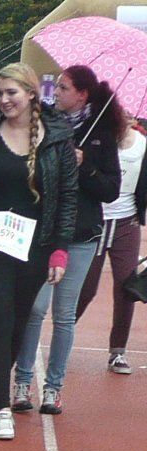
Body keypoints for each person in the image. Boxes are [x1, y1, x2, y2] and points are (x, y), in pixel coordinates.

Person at [0, 63, 77, 440]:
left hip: (35, 246)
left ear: (31, 94)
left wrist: (60, 250)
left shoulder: (57, 137)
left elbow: (67, 198)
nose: (4, 100)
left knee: (20, 322)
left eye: (11, 93)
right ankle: (2, 408)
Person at [12, 65, 122, 415]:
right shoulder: (47, 125)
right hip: (44, 231)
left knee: (64, 314)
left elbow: (110, 190)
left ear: (82, 95)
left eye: (63, 88)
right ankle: (22, 381)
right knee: (34, 308)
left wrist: (84, 164)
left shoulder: (101, 134)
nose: (55, 93)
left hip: (82, 234)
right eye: (55, 86)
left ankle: (53, 387)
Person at [76, 115, 147, 374]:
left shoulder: (143, 144)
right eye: (120, 109)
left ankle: (118, 351)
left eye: (129, 111)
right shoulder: (98, 141)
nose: (124, 114)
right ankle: (64, 330)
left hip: (127, 222)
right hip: (96, 220)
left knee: (127, 286)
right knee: (86, 288)